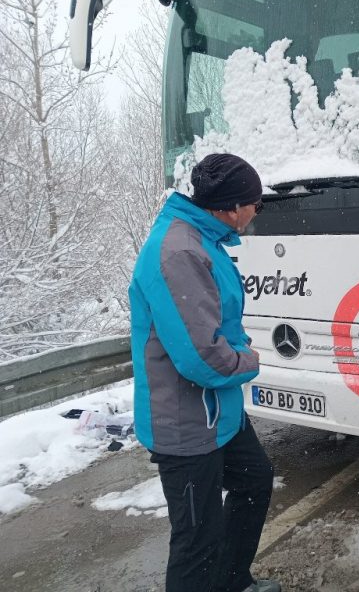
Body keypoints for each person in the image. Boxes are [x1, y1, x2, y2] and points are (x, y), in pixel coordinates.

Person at [129, 153, 280, 592]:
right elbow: (201, 358)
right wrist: (248, 359)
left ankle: (233, 582)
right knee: (197, 538)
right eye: (255, 203)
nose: (257, 211)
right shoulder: (179, 251)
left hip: (218, 414)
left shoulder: (204, 239)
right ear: (232, 207)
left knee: (254, 481)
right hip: (186, 422)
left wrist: (235, 347)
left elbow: (215, 325)